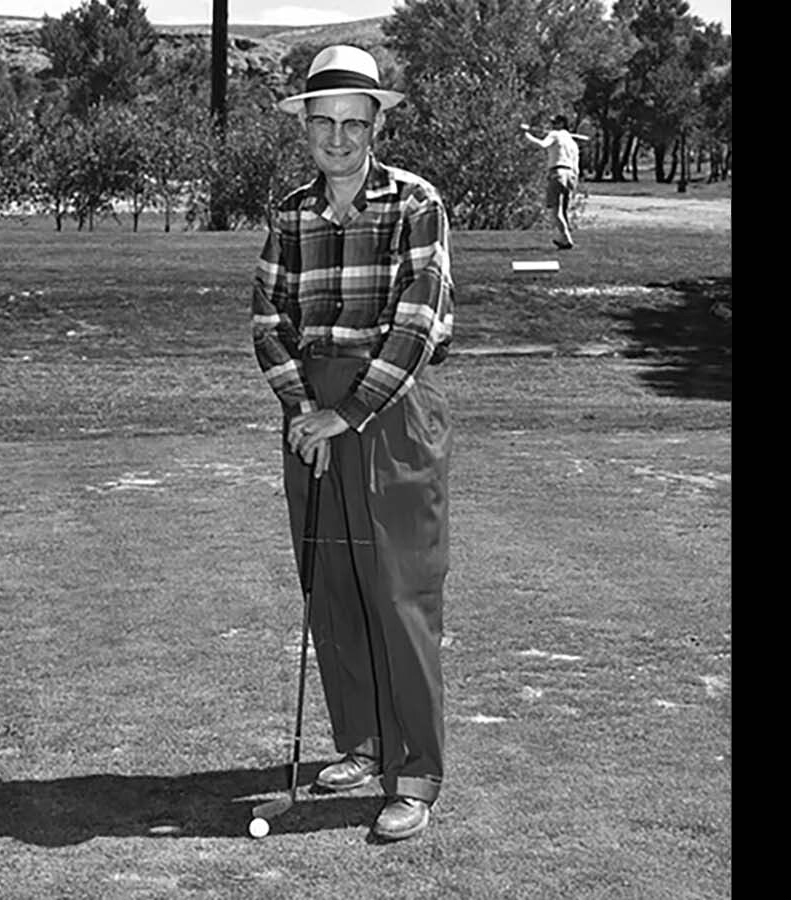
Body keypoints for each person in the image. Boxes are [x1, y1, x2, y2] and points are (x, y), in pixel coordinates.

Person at [251, 44, 455, 843]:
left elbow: (415, 321)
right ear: (306, 126)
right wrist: (306, 407)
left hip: (394, 412)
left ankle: (416, 772)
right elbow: (269, 321)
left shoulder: (416, 203)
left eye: (354, 122)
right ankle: (363, 746)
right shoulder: (292, 211)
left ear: (376, 124)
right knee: (332, 585)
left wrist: (347, 411)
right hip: (313, 412)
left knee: (400, 590)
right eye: (324, 122)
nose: (338, 137)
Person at [519, 115, 591, 249]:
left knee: (555, 211)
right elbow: (576, 164)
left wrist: (526, 135)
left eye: (555, 122)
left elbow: (542, 144)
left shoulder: (555, 134)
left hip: (558, 173)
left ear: (562, 124)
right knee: (562, 211)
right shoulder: (572, 142)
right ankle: (563, 238)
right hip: (571, 175)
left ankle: (567, 239)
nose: (552, 125)